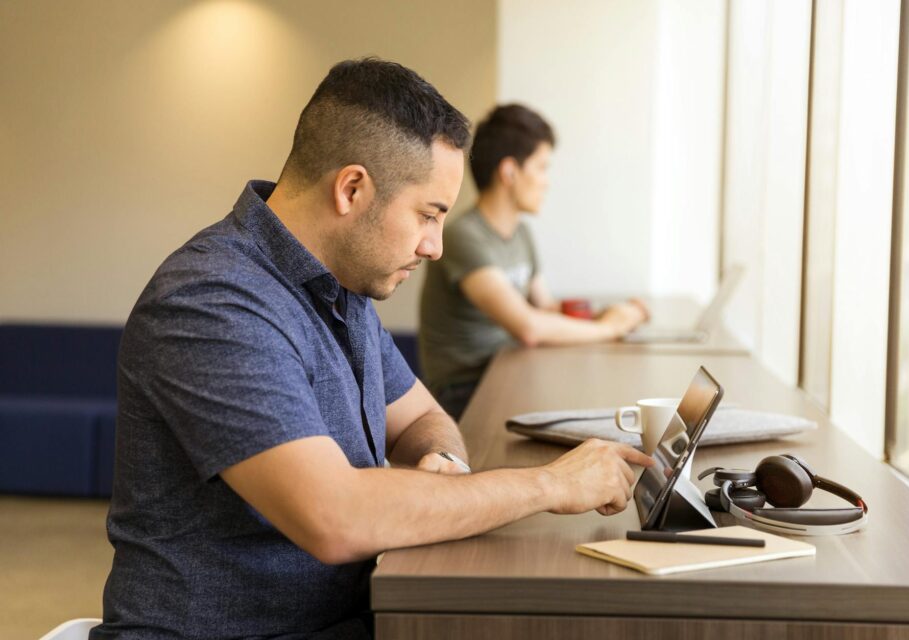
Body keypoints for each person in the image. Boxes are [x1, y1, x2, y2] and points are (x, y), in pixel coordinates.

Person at [91, 59, 651, 640]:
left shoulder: (342, 289)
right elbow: (334, 516)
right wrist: (552, 485)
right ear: (352, 188)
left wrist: (447, 469)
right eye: (428, 215)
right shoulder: (211, 303)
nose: (435, 246)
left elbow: (424, 418)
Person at [418, 104, 649, 419]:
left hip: (509, 370)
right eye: (541, 167)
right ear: (510, 172)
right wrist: (609, 329)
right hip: (467, 392)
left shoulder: (521, 234)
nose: (547, 181)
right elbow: (528, 326)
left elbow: (545, 309)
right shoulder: (463, 236)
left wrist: (605, 315)